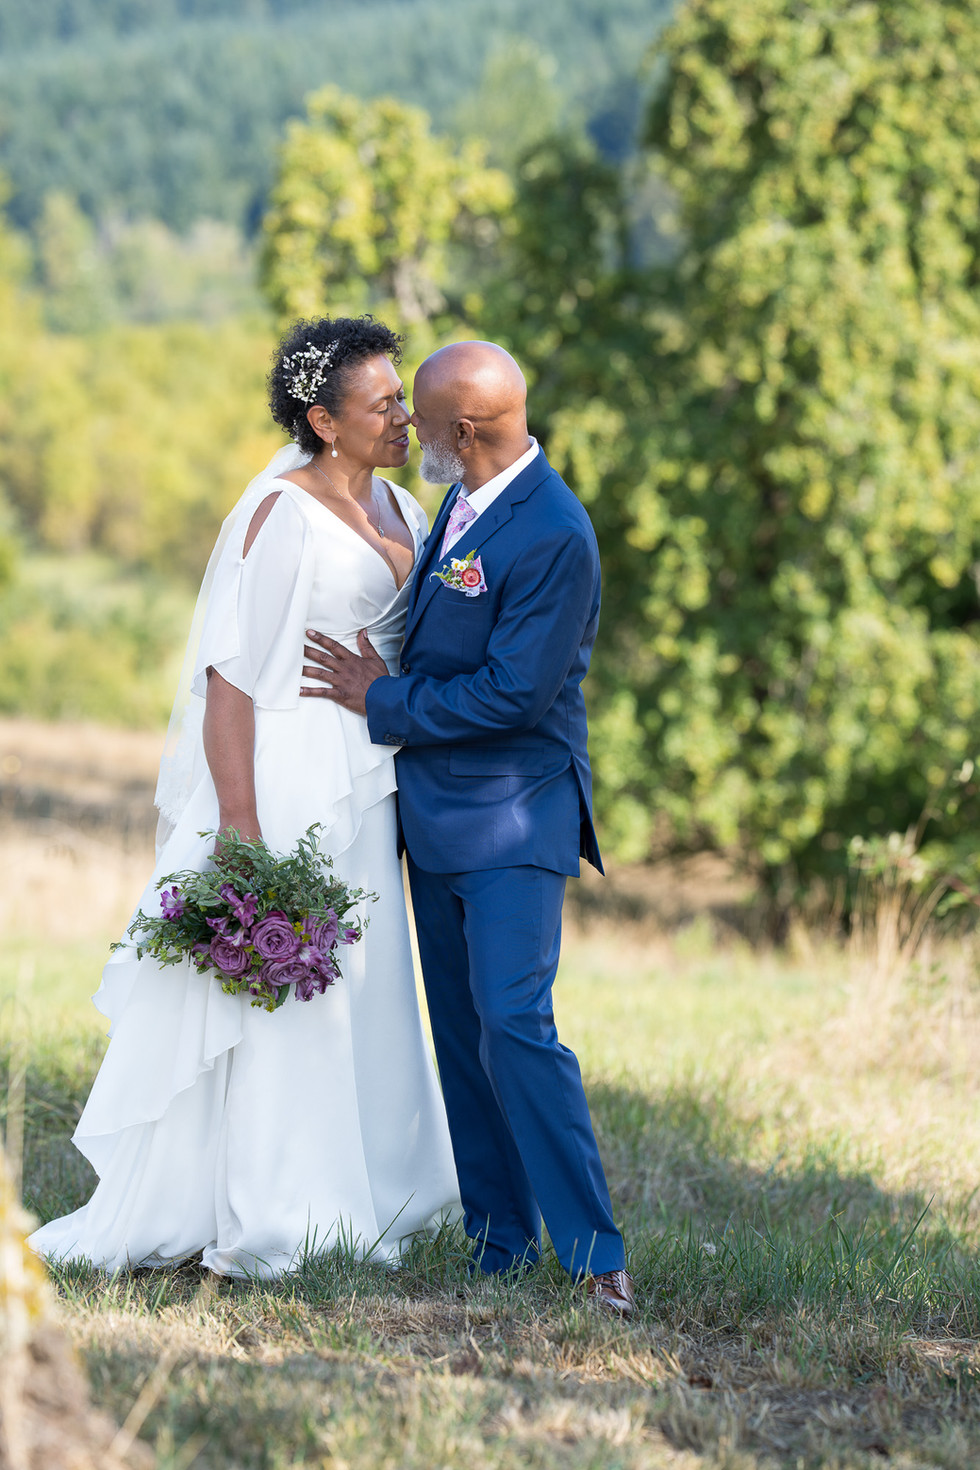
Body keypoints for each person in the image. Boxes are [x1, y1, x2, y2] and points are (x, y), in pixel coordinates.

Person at [29, 316, 460, 1277]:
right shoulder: (280, 515)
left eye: (399, 397)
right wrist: (241, 826)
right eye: (382, 402)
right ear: (324, 419)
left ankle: (380, 1187)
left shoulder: (401, 504)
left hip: (369, 777)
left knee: (365, 978)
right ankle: (281, 1203)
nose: (402, 414)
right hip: (288, 773)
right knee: (287, 989)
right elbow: (230, 678)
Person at [301, 341, 634, 1315]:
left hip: (516, 816)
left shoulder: (555, 533)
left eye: (420, 417)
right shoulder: (460, 502)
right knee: (461, 1036)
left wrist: (382, 697)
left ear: (464, 432)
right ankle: (497, 1243)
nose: (407, 430)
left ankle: (594, 1257)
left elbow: (512, 695)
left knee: (515, 1025)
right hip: (434, 817)